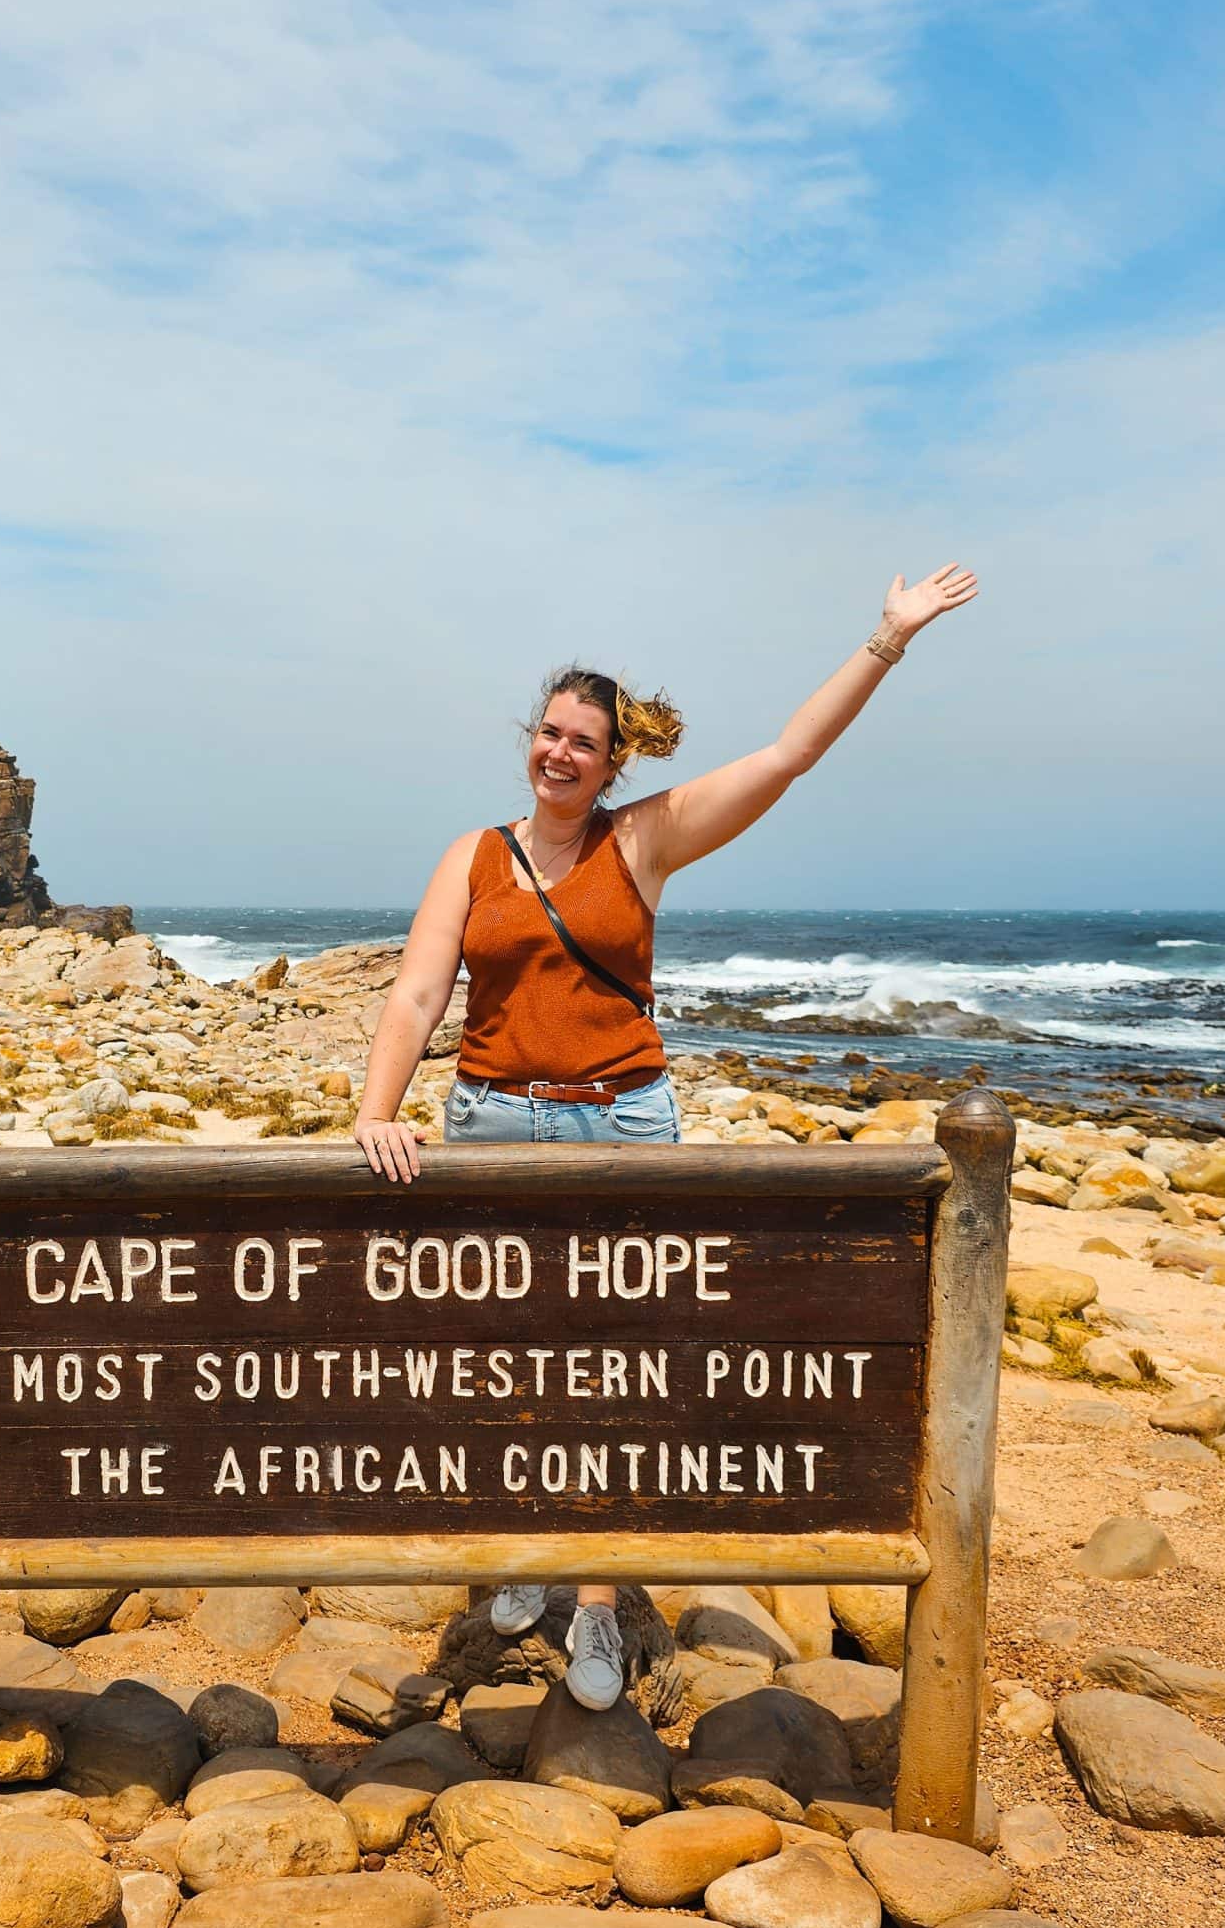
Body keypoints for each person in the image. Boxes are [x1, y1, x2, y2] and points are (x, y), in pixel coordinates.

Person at [354, 561, 980, 1706]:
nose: (559, 754)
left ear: (611, 762)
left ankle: (593, 1605)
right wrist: (375, 1110)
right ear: (528, 739)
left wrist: (887, 638)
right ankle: (515, 1554)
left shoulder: (640, 842)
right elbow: (414, 996)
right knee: (495, 1350)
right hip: (492, 1119)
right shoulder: (474, 855)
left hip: (620, 1124)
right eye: (547, 733)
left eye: (582, 744)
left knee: (607, 1365)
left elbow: (786, 756)